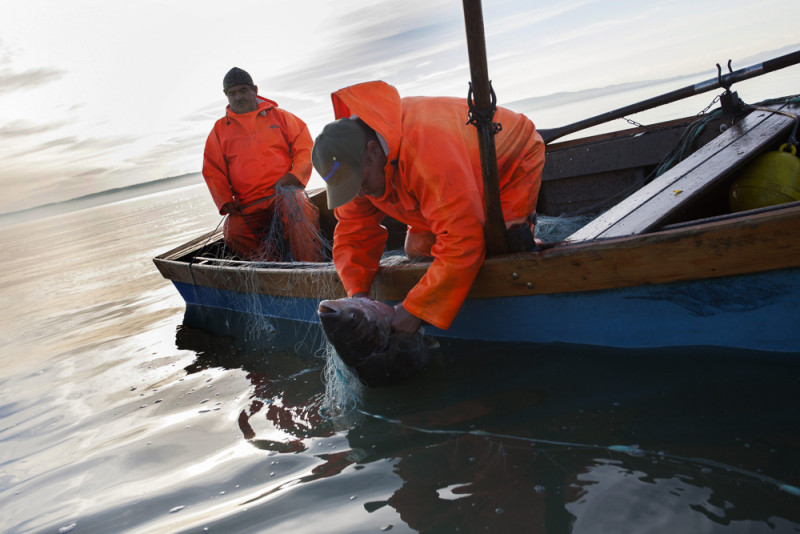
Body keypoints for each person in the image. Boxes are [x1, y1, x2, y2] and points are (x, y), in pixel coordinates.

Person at [312, 80, 545, 334]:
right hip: (449, 183)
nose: (359, 193)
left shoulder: (425, 150)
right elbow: (353, 234)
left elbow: (464, 241)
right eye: (348, 187)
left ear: (373, 151)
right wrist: (359, 296)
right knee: (418, 249)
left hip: (508, 162)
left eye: (361, 182)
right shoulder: (356, 164)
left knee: (498, 250)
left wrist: (414, 310)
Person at [203, 67, 322, 261]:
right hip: (247, 204)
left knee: (299, 209)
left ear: (255, 90)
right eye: (232, 93)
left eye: (243, 90)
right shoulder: (219, 130)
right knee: (234, 231)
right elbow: (212, 169)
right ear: (226, 96)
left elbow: (305, 146)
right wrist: (225, 199)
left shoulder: (280, 116)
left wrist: (295, 175)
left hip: (284, 194)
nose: (238, 97)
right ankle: (275, 271)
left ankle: (311, 268)